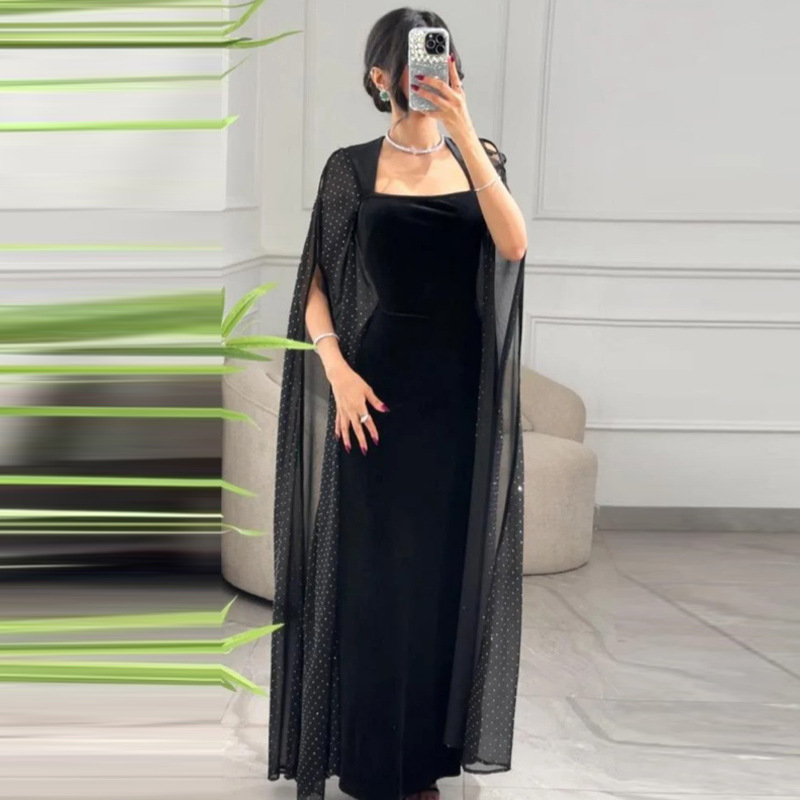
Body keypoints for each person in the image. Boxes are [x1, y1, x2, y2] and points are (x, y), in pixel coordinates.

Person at [268, 9, 528, 800]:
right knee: (378, 579)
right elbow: (313, 286)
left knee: (442, 581)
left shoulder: (482, 158)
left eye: (442, 59)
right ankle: (373, 764)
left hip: (460, 398)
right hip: (376, 393)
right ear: (381, 77)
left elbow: (514, 245)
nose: (429, 74)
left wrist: (466, 133)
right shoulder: (349, 170)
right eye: (411, 63)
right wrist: (338, 371)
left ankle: (423, 767)